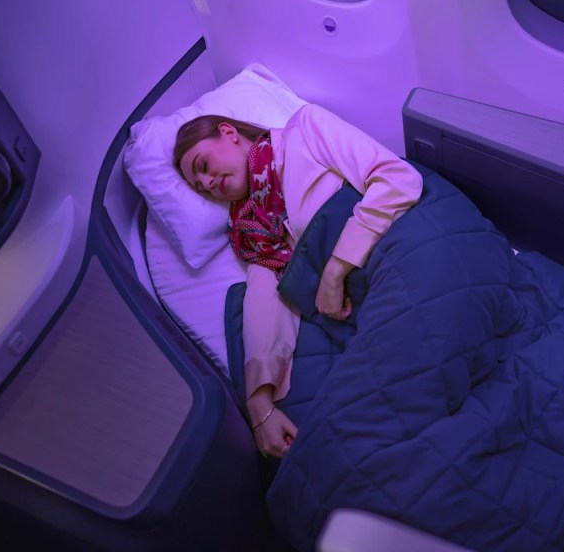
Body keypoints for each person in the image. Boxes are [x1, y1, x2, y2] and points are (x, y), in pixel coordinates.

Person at [173, 104, 423, 459]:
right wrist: (259, 405)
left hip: (406, 254)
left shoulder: (304, 132)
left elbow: (398, 179)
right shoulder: (254, 232)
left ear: (228, 133)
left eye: (204, 166)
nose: (210, 184)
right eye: (202, 189)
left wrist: (335, 271)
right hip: (372, 305)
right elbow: (266, 299)